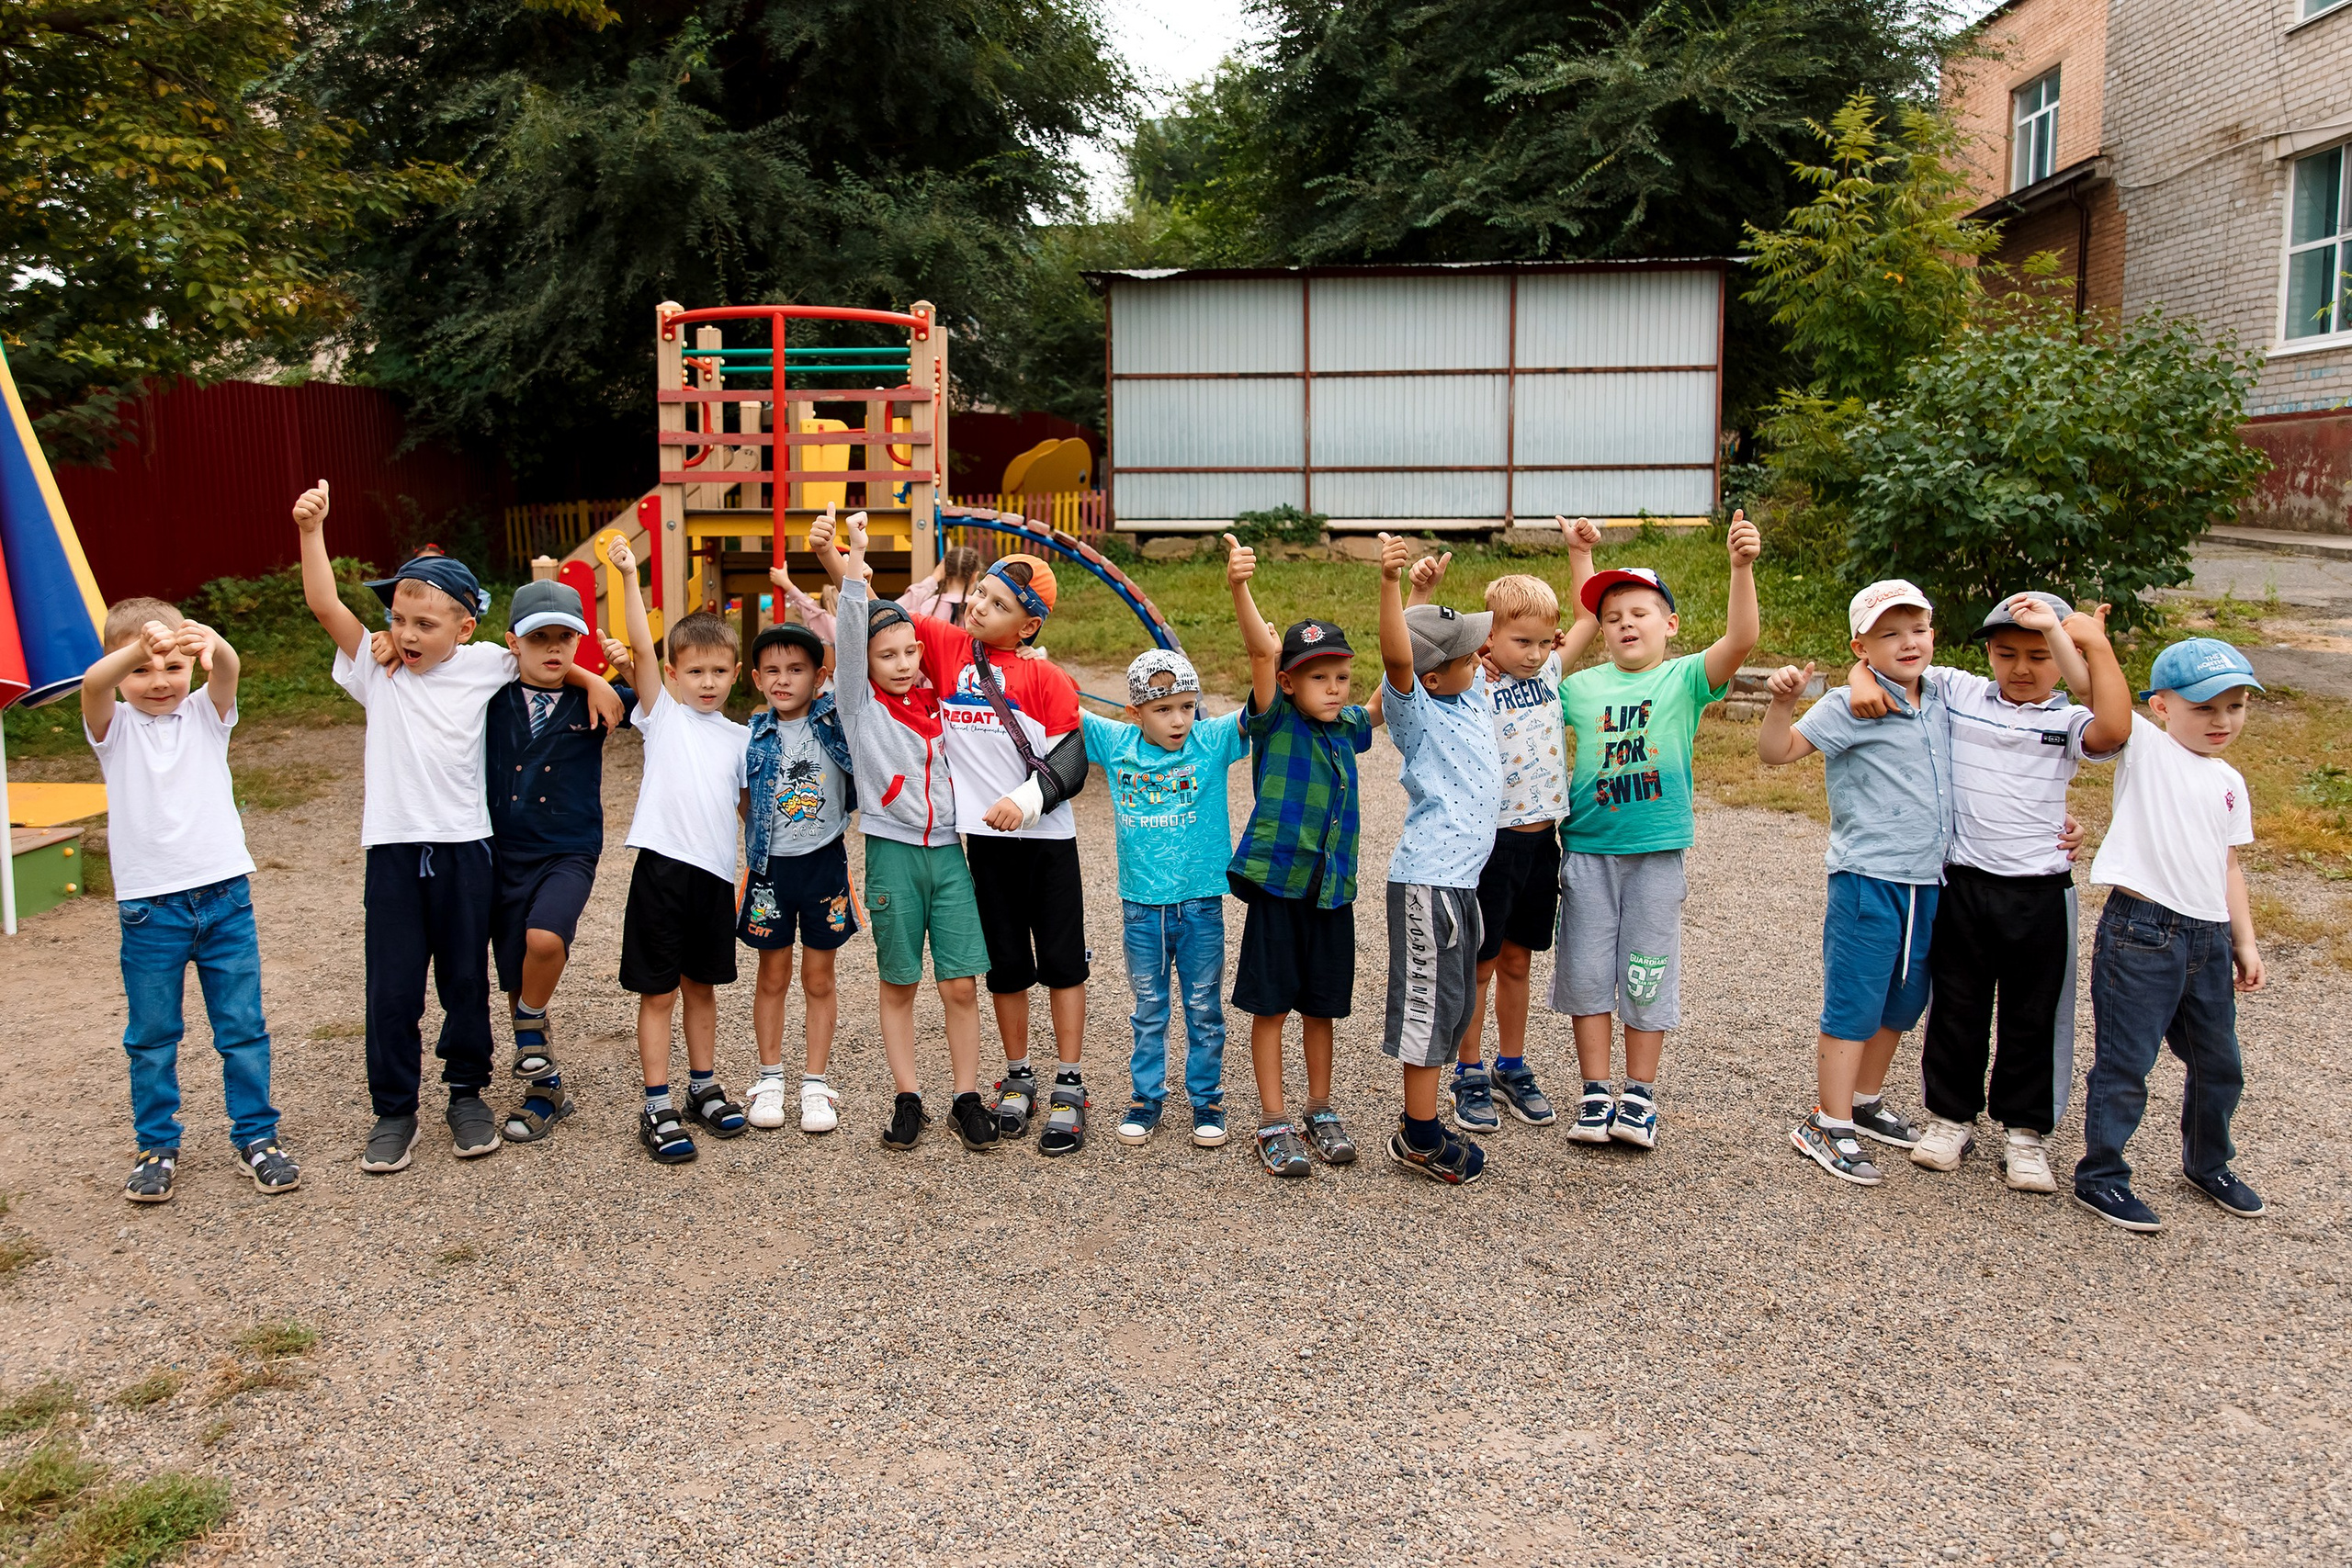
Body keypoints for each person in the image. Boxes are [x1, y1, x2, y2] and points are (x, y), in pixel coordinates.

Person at [294, 481, 619, 1174]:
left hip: (469, 850)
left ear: (465, 628)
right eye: (399, 618)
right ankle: (394, 1110)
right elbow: (325, 603)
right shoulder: (375, 672)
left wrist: (592, 679)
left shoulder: (486, 665)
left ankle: (465, 1093)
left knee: (465, 983)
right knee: (391, 988)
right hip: (392, 848)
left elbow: (548, 655)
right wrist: (312, 530)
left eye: (425, 623)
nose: (408, 634)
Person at [1844, 593, 2129, 1194]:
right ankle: (1950, 1119)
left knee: (2034, 1013)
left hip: (2041, 892)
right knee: (1957, 1007)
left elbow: (2115, 726)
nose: (2022, 668)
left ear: (2062, 659)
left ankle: (2027, 1135)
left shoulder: (2069, 719)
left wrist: (2094, 645)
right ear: (1988, 654)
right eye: (2006, 654)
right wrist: (1857, 672)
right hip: (1964, 882)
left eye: (2038, 655)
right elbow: (1893, 661)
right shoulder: (1960, 692)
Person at [827, 538, 1091, 1155]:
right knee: (1004, 965)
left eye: (997, 603)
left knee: (1061, 962)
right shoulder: (945, 646)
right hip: (983, 844)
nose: (978, 605)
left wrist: (1026, 801)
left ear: (1027, 625)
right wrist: (837, 559)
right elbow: (872, 617)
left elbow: (1072, 758)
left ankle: (1071, 1083)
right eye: (979, 592)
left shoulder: (1048, 676)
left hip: (1047, 838)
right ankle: (1020, 1073)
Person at [1550, 512, 1760, 1151]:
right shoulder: (1580, 686)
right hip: (1587, 851)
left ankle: (1638, 1095)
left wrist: (1740, 567)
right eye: (1614, 618)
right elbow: (1548, 659)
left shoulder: (1686, 677)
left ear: (1668, 623)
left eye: (1640, 612)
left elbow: (1742, 639)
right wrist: (1581, 557)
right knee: (1587, 973)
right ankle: (1594, 1091)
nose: (1625, 624)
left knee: (1646, 971)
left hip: (1656, 855)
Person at [84, 601, 296, 1202]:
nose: (159, 681)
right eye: (144, 670)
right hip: (151, 911)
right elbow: (96, 683)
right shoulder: (113, 726)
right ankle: (156, 1146)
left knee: (243, 1029)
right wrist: (137, 648)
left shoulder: (207, 713)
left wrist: (212, 641)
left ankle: (258, 1136)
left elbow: (226, 668)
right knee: (152, 1037)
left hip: (225, 897)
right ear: (122, 671)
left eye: (173, 666)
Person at [1406, 517, 1601, 1134]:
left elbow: (1589, 618)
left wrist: (1580, 553)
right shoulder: (1473, 686)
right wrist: (1418, 594)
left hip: (1544, 841)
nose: (1537, 653)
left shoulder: (1547, 673)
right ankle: (1468, 1068)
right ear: (1490, 639)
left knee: (1519, 959)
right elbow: (1412, 665)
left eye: (1545, 641)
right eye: (1522, 641)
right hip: (1491, 846)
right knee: (1481, 963)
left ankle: (1510, 1064)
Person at [1757, 579, 1950, 1187]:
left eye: (1916, 629)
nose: (1908, 642)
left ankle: (1865, 1100)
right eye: (1888, 633)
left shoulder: (1946, 696)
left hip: (1929, 881)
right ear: (1861, 645)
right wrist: (1783, 702)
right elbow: (1777, 751)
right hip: (1867, 877)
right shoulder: (1849, 703)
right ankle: (1827, 1118)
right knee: (1854, 1000)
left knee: (1904, 999)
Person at [2072, 637, 2267, 1232]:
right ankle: (2101, 1176)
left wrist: (2245, 939)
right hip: (2141, 932)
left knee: (2220, 1063)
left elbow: (2227, 863)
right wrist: (2081, 637)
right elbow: (2090, 689)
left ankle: (2208, 1162)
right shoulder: (2144, 746)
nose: (2222, 721)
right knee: (2126, 1063)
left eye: (2235, 706)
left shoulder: (2230, 779)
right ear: (2160, 705)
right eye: (2205, 707)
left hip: (2207, 938)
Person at [819, 512, 999, 1152]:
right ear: (863, 664)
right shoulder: (859, 708)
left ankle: (966, 1097)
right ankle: (907, 1098)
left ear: (921, 652)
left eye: (906, 652)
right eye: (884, 655)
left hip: (950, 854)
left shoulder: (939, 703)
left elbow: (989, 673)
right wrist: (855, 559)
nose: (899, 663)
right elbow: (848, 628)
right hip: (891, 851)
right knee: (899, 981)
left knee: (958, 982)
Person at [1222, 533, 1374, 1178]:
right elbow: (1261, 647)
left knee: (1322, 1005)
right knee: (1271, 1005)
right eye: (1319, 677)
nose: (1334, 688)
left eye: (1340, 676)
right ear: (1288, 681)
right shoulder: (1275, 718)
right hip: (1280, 888)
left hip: (1331, 891)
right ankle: (1272, 1117)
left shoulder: (1348, 729)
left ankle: (1319, 1105)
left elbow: (1392, 694)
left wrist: (1415, 597)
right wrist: (1239, 587)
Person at [605, 539, 753, 1165]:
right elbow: (642, 645)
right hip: (662, 871)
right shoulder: (659, 714)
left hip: (715, 879)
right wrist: (631, 577)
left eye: (719, 671)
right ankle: (657, 1100)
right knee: (658, 991)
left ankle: (702, 1085)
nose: (708, 681)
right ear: (672, 674)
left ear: (736, 673)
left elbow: (751, 812)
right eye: (695, 670)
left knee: (703, 987)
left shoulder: (743, 738)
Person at [1374, 535, 1504, 1186]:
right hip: (1427, 882)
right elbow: (1400, 657)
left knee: (1453, 1001)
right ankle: (1418, 1134)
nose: (1481, 654)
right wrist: (1392, 586)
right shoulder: (1417, 714)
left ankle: (1425, 1120)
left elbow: (1423, 646)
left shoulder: (1471, 693)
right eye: (1466, 652)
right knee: (1427, 1005)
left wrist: (1424, 598)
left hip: (1460, 884)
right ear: (1430, 678)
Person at [1082, 649, 1250, 1150]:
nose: (1178, 719)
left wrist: (1263, 652)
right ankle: (1146, 1099)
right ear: (1135, 712)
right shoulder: (1115, 743)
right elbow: (1059, 703)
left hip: (1201, 904)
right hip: (1141, 908)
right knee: (1149, 1007)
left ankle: (1207, 1100)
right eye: (1163, 709)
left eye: (1187, 705)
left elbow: (1261, 705)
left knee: (1204, 1007)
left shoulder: (1213, 740)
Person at [738, 620, 857, 1134]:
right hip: (770, 870)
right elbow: (742, 799)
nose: (783, 679)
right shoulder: (750, 734)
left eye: (796, 670)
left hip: (823, 864)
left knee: (819, 977)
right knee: (772, 974)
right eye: (772, 671)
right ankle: (769, 1078)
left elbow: (858, 671)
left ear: (819, 676)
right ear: (756, 678)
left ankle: (815, 1082)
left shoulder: (834, 721)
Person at [899, 546, 986, 626]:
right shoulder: (979, 609)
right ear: (974, 576)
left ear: (944, 572)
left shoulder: (929, 606)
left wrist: (933, 579)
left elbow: (894, 610)